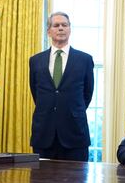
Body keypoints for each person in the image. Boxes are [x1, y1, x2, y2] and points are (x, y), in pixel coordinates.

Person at [29, 12, 94, 161]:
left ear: (70, 29)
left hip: (75, 133)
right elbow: (36, 93)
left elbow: (87, 94)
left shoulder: (84, 59)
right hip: (44, 133)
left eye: (64, 25)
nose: (60, 28)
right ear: (49, 31)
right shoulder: (35, 61)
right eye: (56, 25)